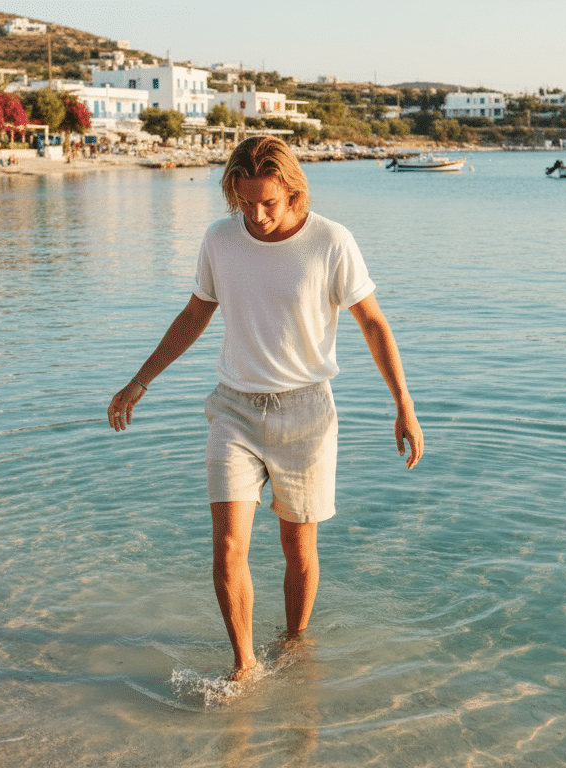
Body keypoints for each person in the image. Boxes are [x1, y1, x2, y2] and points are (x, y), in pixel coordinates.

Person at [107, 136, 423, 681]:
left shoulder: (331, 241)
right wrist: (138, 383)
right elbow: (193, 316)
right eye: (245, 202)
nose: (255, 215)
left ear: (293, 192)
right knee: (229, 543)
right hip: (234, 410)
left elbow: (372, 322)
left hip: (307, 414)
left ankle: (295, 643)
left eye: (268, 203)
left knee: (297, 544)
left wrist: (404, 404)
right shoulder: (220, 240)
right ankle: (244, 663)